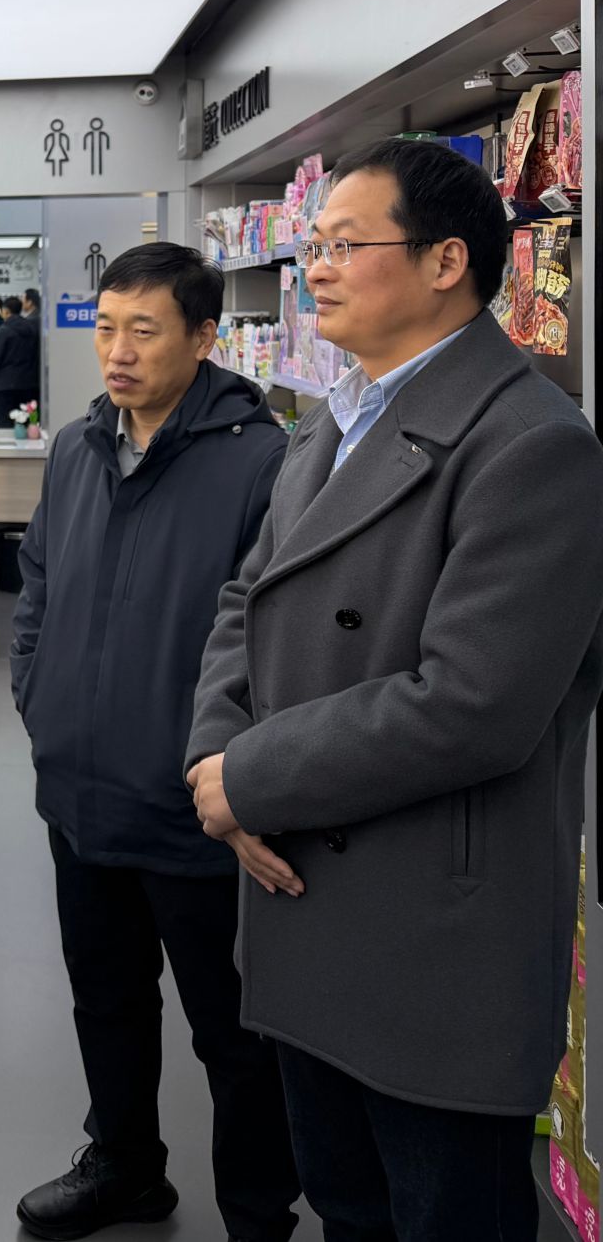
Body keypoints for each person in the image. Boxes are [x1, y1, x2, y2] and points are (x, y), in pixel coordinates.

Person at [187, 139, 603, 1240]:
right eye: (310, 245)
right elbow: (246, 599)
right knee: (346, 1206)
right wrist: (214, 759)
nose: (313, 269)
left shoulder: (533, 446)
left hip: (430, 942)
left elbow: (472, 705)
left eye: (341, 244)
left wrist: (253, 778)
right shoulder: (334, 418)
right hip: (301, 904)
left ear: (444, 262)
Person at [11, 243, 297, 1241]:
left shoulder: (262, 463)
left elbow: (276, 639)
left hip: (197, 811)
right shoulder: (77, 447)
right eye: (104, 329)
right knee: (106, 999)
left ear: (204, 337)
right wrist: (38, 699)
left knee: (236, 1033)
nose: (118, 353)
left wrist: (241, 774)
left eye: (144, 330)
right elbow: (37, 583)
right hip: (79, 795)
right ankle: (125, 1165)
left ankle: (258, 1212)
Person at [0, 294, 40, 427]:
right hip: (28, 383)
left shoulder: (3, 330)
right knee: (25, 421)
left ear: (5, 311)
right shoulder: (32, 329)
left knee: (4, 422)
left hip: (4, 385)